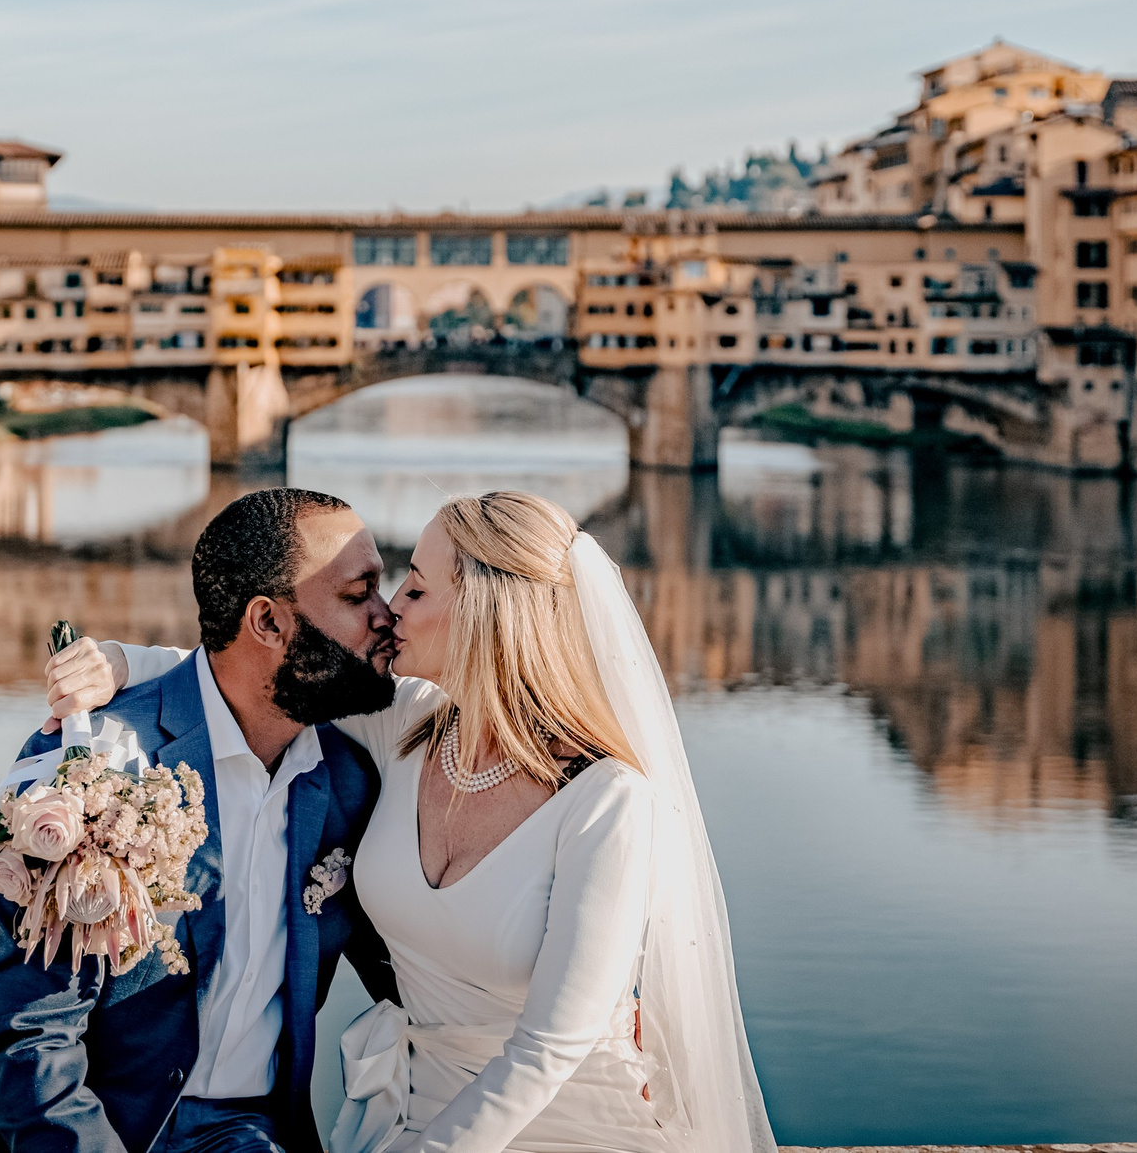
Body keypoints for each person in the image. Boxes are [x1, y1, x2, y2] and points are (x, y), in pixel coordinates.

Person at [51, 490, 775, 1153]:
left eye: (417, 588)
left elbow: (550, 1047)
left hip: (564, 1123)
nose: (391, 607)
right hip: (415, 1111)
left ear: (490, 612)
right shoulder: (404, 723)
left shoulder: (607, 799)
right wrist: (123, 662)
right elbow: (258, 668)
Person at [0, 487, 404, 1153]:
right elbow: (29, 1034)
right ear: (267, 623)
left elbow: (417, 977)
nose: (390, 616)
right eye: (360, 594)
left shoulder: (349, 783)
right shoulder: (90, 764)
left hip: (248, 1133)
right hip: (76, 1129)